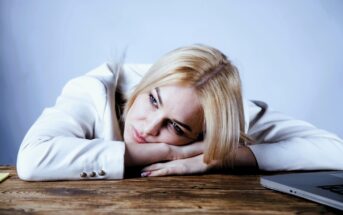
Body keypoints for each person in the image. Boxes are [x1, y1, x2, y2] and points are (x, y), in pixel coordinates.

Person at [17, 44, 343, 181]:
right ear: (147, 83)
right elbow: (33, 160)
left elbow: (336, 151)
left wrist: (218, 156)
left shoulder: (229, 117)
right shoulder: (96, 88)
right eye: (153, 100)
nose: (149, 125)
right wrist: (169, 151)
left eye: (175, 125)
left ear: (203, 133)